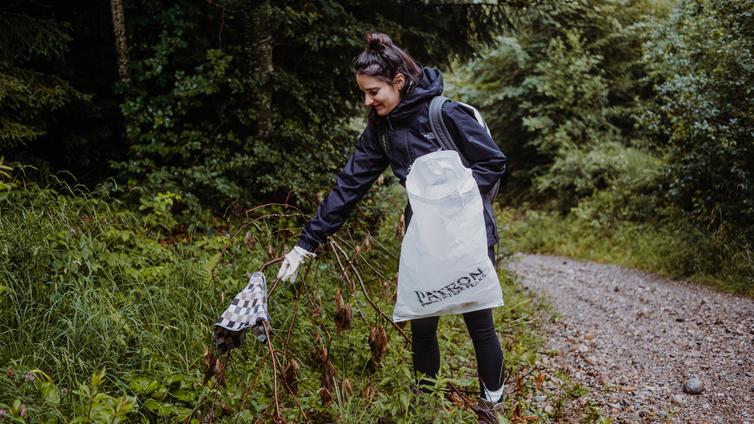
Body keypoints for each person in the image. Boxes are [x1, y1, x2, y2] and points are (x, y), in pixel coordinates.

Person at [276, 32, 508, 423]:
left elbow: (493, 163)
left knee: (479, 324)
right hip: (423, 238)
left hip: (467, 233)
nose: (368, 101)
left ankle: (492, 408)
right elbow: (348, 187)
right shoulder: (381, 130)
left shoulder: (445, 113)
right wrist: (305, 245)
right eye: (363, 94)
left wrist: (450, 198)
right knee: (422, 324)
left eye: (373, 92)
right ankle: (424, 408)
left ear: (398, 81)